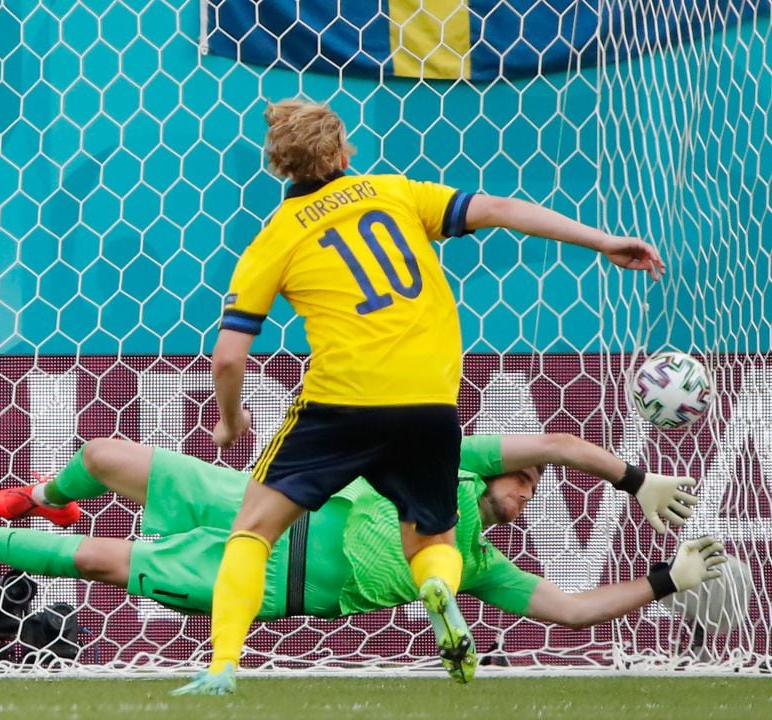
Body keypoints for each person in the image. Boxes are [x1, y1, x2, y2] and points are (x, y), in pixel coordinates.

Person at [194, 98, 667, 691]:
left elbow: (229, 356)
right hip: (430, 401)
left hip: (341, 400)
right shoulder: (396, 193)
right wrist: (602, 242)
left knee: (253, 531)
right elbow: (499, 208)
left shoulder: (275, 238)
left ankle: (221, 670)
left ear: (280, 167)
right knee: (434, 539)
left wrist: (231, 418)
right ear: (343, 153)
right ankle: (437, 586)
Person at [0, 433, 721, 686]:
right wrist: (633, 480)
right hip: (261, 501)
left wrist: (664, 581)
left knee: (94, 563)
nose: (527, 490)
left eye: (532, 490)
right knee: (110, 455)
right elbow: (561, 442)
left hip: (266, 579)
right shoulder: (449, 468)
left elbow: (569, 612)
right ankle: (40, 491)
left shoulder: (480, 564)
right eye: (524, 480)